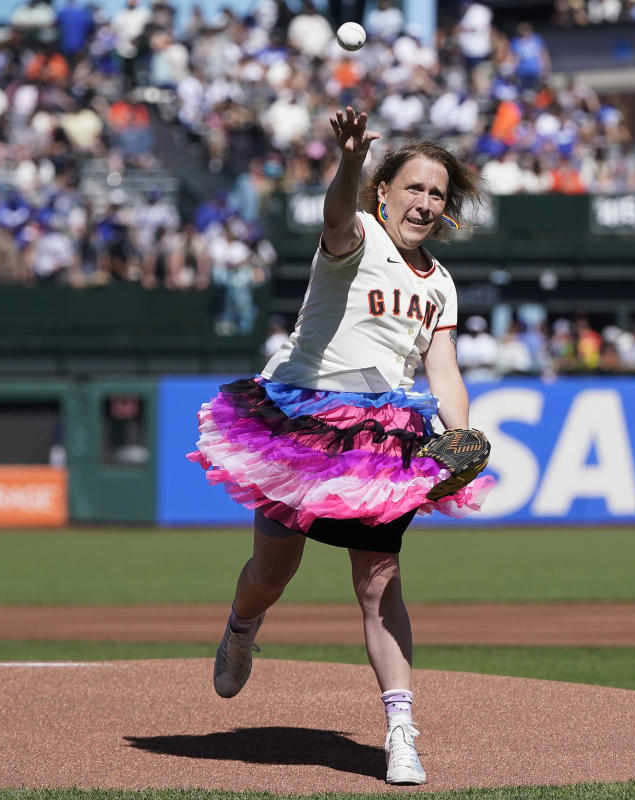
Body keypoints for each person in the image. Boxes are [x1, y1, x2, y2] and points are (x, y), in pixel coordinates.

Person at [187, 107, 493, 787]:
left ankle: (400, 729)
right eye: (412, 187)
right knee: (273, 572)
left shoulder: (438, 284)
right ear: (383, 192)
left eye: (436, 194)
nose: (424, 202)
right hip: (303, 425)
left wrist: (461, 434)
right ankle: (241, 630)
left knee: (379, 582)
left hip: (380, 439)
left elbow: (443, 370)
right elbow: (334, 214)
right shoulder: (355, 238)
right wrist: (351, 159)